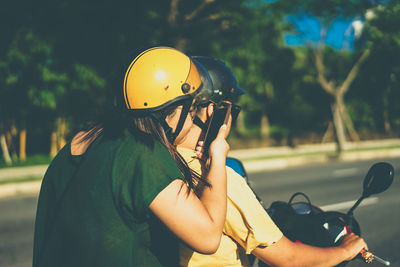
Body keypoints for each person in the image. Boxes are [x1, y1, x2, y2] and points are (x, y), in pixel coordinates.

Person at [32, 46, 230, 267]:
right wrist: (218, 156)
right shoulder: (143, 153)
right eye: (192, 109)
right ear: (174, 109)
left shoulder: (79, 143)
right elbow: (208, 237)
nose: (192, 120)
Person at [177, 56, 368, 267]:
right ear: (217, 112)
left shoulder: (163, 161)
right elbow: (289, 259)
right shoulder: (217, 177)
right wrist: (344, 250)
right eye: (232, 110)